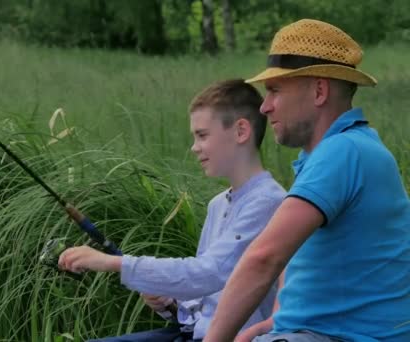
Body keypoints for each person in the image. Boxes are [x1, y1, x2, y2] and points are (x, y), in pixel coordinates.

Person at [203, 19, 410, 342]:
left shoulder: (344, 151)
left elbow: (264, 258)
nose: (265, 106)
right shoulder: (340, 151)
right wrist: (273, 322)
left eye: (275, 90)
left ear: (319, 90)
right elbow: (299, 255)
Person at [58, 79, 286, 341]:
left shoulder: (270, 202)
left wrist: (112, 263)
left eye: (202, 135)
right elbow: (206, 295)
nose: (194, 147)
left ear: (241, 131)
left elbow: (210, 273)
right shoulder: (218, 204)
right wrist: (171, 306)